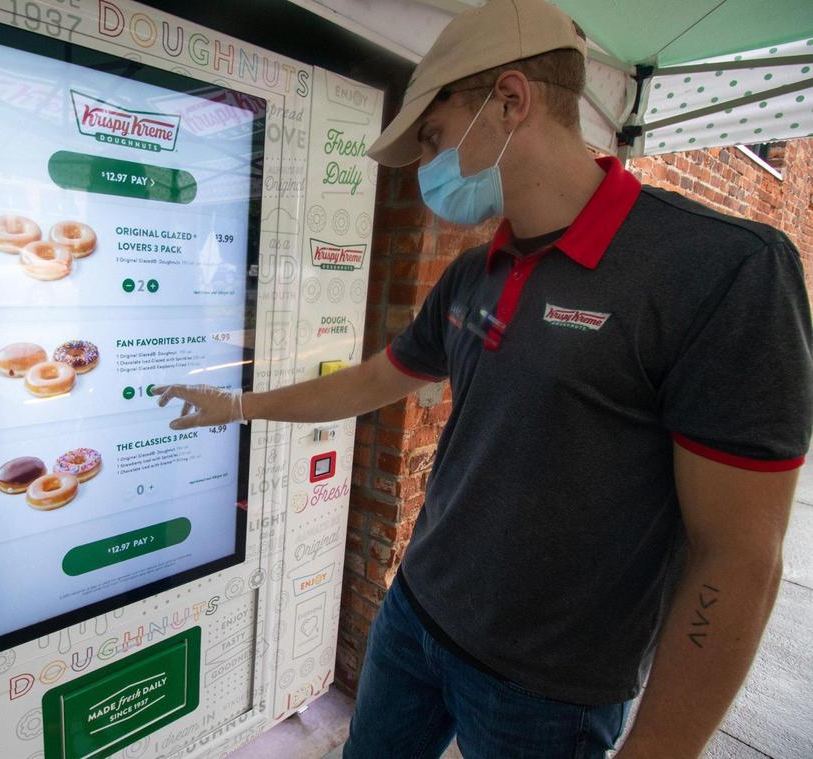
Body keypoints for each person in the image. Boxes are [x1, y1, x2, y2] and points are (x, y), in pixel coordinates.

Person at [154, 0, 813, 755]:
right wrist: (235, 403)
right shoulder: (475, 271)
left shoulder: (721, 272)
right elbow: (372, 382)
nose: (431, 168)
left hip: (545, 690)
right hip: (415, 617)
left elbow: (738, 557)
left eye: (434, 137)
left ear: (510, 100)